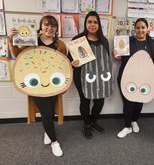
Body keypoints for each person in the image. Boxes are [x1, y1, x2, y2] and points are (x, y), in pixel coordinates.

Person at [9, 15, 66, 157]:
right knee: (46, 113)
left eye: (53, 26)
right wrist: (11, 39)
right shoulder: (32, 40)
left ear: (56, 29)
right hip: (36, 85)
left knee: (51, 111)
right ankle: (54, 141)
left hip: (53, 85)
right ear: (41, 26)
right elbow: (18, 54)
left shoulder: (60, 45)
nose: (49, 28)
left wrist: (72, 65)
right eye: (46, 25)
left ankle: (48, 131)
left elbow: (64, 62)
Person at [113, 18, 154, 138]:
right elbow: (119, 57)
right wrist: (116, 55)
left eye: (143, 27)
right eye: (138, 28)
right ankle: (127, 126)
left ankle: (134, 120)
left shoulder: (152, 44)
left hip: (145, 79)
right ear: (134, 29)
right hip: (126, 77)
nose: (140, 30)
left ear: (147, 29)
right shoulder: (127, 41)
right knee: (128, 102)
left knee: (139, 102)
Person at [69, 11, 111, 140]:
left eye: (95, 22)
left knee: (100, 101)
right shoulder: (78, 40)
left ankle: (93, 121)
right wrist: (73, 63)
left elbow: (106, 59)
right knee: (85, 101)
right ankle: (87, 124)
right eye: (89, 22)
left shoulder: (104, 41)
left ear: (99, 24)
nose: (92, 24)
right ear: (85, 23)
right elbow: (69, 58)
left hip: (100, 76)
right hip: (82, 75)